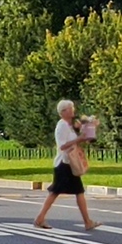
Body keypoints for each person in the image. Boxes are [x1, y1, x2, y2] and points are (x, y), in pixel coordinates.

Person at [34, 99, 99, 230]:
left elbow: (77, 141)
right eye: (70, 108)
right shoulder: (61, 126)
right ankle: (39, 219)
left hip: (70, 164)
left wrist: (89, 130)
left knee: (78, 191)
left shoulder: (69, 126)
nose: (73, 110)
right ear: (63, 112)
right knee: (55, 192)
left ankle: (87, 221)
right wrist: (79, 138)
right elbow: (62, 146)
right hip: (63, 164)